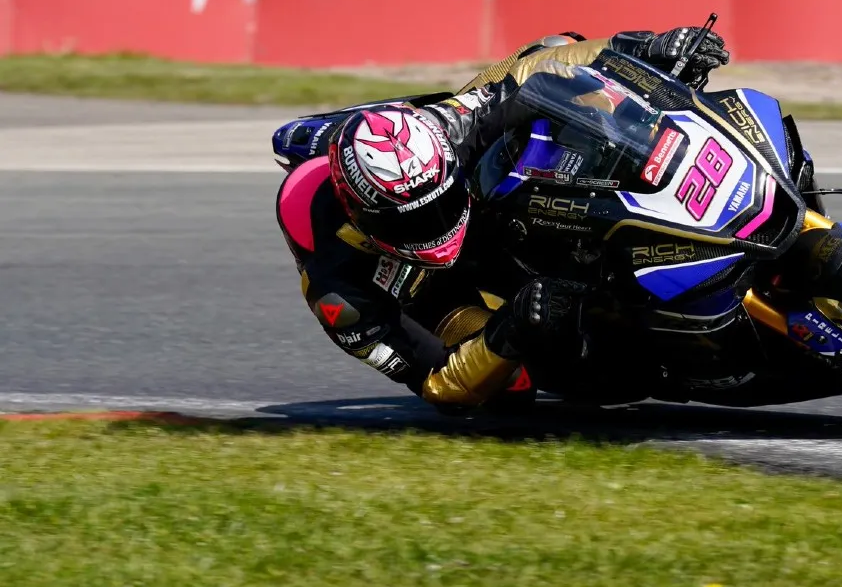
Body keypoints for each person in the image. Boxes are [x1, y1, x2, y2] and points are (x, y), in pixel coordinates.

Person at [273, 26, 730, 412]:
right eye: (414, 221)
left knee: (557, 52)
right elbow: (438, 386)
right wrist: (511, 330)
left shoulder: (446, 128)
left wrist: (640, 50)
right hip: (443, 296)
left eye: (438, 201)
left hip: (487, 205)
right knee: (517, 387)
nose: (436, 223)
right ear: (363, 216)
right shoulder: (339, 293)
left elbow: (536, 68)